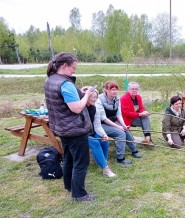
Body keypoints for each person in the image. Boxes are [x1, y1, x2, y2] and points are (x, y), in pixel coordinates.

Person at [44, 52, 96, 201]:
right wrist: (87, 95)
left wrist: (80, 92)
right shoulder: (65, 84)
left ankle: (69, 186)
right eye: (73, 67)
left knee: (68, 159)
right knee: (81, 162)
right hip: (75, 130)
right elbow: (77, 108)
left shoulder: (50, 80)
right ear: (64, 66)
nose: (74, 70)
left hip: (61, 128)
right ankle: (79, 194)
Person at [96, 80, 142, 164]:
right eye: (112, 89)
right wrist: (118, 127)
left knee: (125, 130)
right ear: (106, 90)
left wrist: (123, 125)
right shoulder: (99, 100)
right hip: (100, 125)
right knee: (120, 133)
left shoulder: (117, 99)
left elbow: (118, 114)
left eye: (116, 89)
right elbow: (103, 118)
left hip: (112, 121)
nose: (114, 91)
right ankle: (120, 158)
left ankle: (134, 150)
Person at [85, 89, 116, 177]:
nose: (94, 99)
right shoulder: (80, 109)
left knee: (104, 140)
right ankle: (106, 169)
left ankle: (103, 161)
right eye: (91, 97)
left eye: (95, 97)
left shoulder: (95, 109)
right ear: (86, 97)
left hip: (92, 132)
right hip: (82, 135)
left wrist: (104, 134)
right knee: (95, 143)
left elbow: (98, 126)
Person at [120, 81, 154, 146]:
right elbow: (127, 113)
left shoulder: (138, 97)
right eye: (132, 89)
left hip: (135, 117)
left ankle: (147, 137)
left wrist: (144, 112)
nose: (134, 90)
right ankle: (148, 139)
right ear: (128, 89)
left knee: (146, 118)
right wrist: (140, 114)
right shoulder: (124, 98)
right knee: (146, 123)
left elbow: (141, 108)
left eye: (136, 89)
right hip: (126, 120)